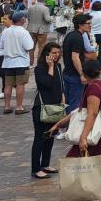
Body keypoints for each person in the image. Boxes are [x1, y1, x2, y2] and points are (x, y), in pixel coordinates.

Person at [39, 59, 101, 201]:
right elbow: (81, 111)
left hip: (93, 133)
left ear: (85, 74)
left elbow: (92, 113)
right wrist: (60, 123)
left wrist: (83, 138)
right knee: (99, 165)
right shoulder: (98, 84)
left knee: (71, 167)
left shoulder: (93, 89)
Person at [31, 42, 64, 179]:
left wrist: (63, 99)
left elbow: (60, 85)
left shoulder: (58, 66)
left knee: (50, 136)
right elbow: (47, 84)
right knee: (40, 138)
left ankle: (45, 164)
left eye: (58, 52)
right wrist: (50, 67)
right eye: (53, 53)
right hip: (42, 107)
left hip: (55, 106)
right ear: (47, 54)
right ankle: (36, 168)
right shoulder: (40, 69)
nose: (56, 55)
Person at [0, 11, 35, 114]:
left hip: (8, 63)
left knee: (8, 85)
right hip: (21, 62)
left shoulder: (5, 31)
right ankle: (19, 107)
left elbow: (0, 48)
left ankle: (7, 107)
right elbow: (29, 47)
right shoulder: (23, 32)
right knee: (20, 85)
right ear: (22, 20)